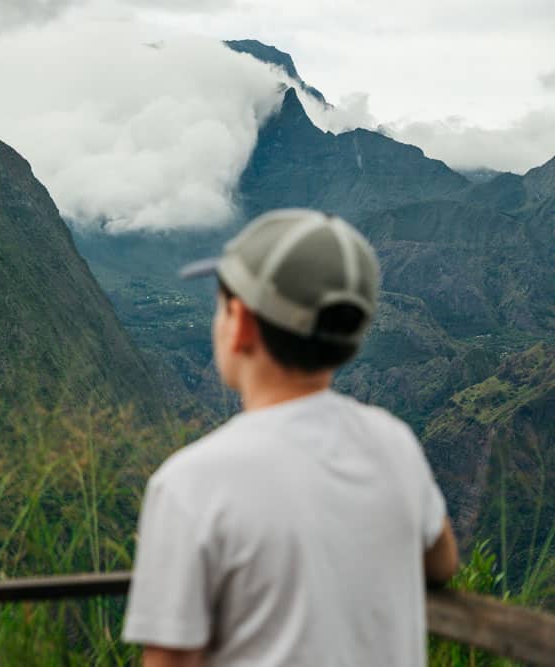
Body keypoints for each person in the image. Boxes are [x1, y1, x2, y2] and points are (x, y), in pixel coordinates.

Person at [122, 209, 459, 667]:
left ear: (239, 321)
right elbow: (441, 563)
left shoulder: (190, 483)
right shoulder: (394, 441)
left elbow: (170, 660)